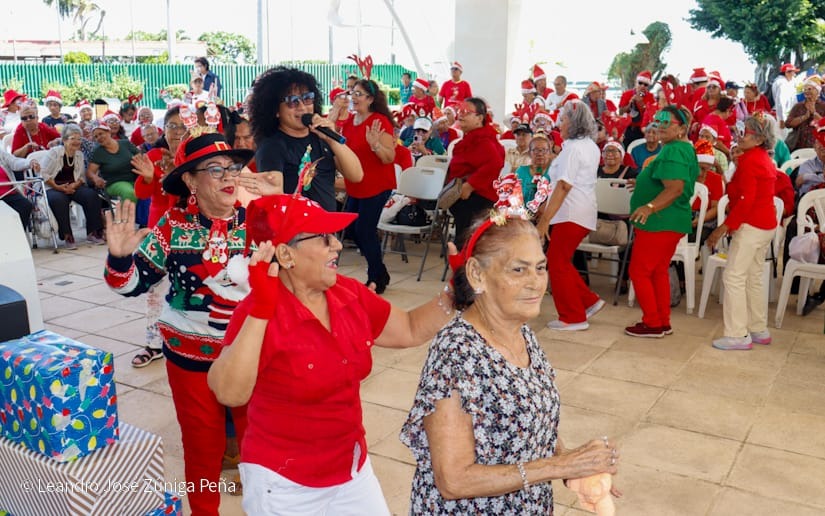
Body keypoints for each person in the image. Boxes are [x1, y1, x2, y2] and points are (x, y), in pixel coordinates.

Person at [206, 193, 458, 515]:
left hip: (350, 467)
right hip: (285, 482)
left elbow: (409, 328)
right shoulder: (257, 312)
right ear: (286, 254)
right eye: (324, 238)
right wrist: (261, 310)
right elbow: (229, 392)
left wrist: (456, 292)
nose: (337, 246)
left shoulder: (347, 293)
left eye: (335, 237)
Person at [400, 211, 621, 514]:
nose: (535, 283)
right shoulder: (457, 353)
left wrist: (573, 465)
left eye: (541, 268)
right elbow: (453, 480)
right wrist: (559, 465)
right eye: (519, 270)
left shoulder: (522, 335)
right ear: (477, 274)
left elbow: (529, 417)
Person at [104, 131, 256, 515]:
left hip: (251, 354)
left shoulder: (259, 219)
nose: (228, 176)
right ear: (190, 180)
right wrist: (121, 258)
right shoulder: (173, 224)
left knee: (259, 445)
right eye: (215, 169)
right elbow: (132, 284)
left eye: (233, 167)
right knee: (202, 447)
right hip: (191, 358)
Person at [706, 115, 779, 350]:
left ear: (758, 138)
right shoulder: (759, 158)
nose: (739, 135)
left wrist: (723, 227)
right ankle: (758, 329)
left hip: (752, 224)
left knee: (734, 277)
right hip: (765, 225)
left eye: (745, 132)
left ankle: (737, 334)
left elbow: (745, 200)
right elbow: (741, 191)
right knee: (753, 277)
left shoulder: (752, 161)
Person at [625, 105, 698, 337]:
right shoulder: (681, 148)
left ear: (682, 129)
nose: (660, 126)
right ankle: (661, 321)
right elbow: (670, 181)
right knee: (657, 271)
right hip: (669, 221)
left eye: (667, 123)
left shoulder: (673, 150)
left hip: (660, 221)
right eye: (657, 121)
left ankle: (652, 323)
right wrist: (644, 184)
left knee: (639, 271)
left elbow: (675, 188)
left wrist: (649, 206)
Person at [251, 66, 363, 212]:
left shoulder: (321, 136)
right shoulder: (271, 146)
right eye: (292, 101)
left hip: (327, 230)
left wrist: (331, 138)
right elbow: (274, 199)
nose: (302, 107)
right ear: (276, 110)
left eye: (307, 98)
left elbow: (356, 175)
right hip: (297, 232)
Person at [535, 100, 603, 331]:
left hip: (571, 212)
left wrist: (543, 222)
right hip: (578, 211)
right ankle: (588, 301)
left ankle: (573, 317)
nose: (559, 124)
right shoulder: (588, 145)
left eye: (563, 119)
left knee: (556, 263)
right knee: (560, 261)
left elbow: (564, 186)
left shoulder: (574, 149)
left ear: (574, 123)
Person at [338, 78, 397, 294]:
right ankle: (380, 271)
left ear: (371, 99)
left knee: (364, 229)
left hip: (377, 184)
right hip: (357, 184)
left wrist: (375, 146)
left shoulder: (379, 121)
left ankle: (376, 277)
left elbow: (389, 157)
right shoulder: (349, 123)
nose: (353, 97)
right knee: (352, 228)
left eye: (359, 94)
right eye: (352, 92)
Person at [447, 97, 504, 248]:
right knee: (464, 242)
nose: (461, 115)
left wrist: (470, 185)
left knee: (467, 244)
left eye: (466, 112)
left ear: (479, 118)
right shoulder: (471, 138)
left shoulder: (484, 140)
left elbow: (495, 163)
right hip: (466, 200)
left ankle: (464, 271)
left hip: (476, 200)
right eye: (460, 111)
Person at [40, 125, 104, 249]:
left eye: (79, 139)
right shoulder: (54, 152)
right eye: (72, 138)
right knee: (59, 199)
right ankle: (67, 235)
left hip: (72, 186)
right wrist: (59, 187)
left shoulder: (79, 155)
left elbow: (81, 176)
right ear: (64, 140)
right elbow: (43, 174)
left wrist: (76, 184)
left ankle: (93, 232)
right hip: (52, 186)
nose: (76, 142)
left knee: (91, 195)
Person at [86, 120, 141, 202]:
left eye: (100, 134)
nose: (99, 138)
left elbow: (141, 158)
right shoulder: (98, 152)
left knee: (147, 191)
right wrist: (95, 178)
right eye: (96, 137)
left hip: (135, 179)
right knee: (129, 193)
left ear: (108, 132)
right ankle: (125, 215)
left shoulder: (125, 143)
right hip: (114, 183)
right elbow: (90, 172)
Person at [0, 146, 40, 230]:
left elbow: (14, 162)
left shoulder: (1, 153)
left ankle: (17, 235)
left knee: (26, 206)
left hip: (9, 193)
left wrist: (30, 163)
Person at [784, 75, 825, 151]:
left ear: (817, 90)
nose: (806, 91)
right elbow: (788, 124)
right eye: (805, 89)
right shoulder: (798, 106)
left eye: (809, 89)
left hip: (818, 147)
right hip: (797, 146)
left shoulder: (823, 106)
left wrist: (814, 113)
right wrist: (805, 117)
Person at [618, 71, 655, 148]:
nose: (642, 86)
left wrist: (641, 104)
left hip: (643, 131)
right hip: (628, 129)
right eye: (640, 83)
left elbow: (651, 116)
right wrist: (630, 105)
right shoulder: (627, 94)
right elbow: (621, 112)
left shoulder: (650, 97)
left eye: (645, 84)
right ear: (636, 83)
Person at [514, 134, 553, 205]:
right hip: (523, 214)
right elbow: (515, 198)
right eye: (536, 150)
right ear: (529, 153)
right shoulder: (521, 171)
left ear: (549, 153)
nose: (540, 154)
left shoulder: (554, 172)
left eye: (544, 150)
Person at [772, 63, 800, 130]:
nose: (794, 75)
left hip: (785, 115)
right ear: (787, 73)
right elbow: (780, 102)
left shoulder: (781, 82)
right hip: (784, 116)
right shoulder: (783, 84)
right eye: (793, 73)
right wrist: (782, 119)